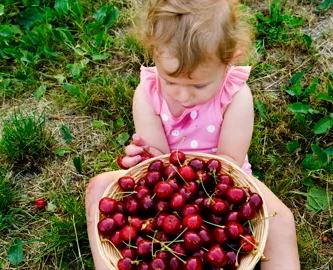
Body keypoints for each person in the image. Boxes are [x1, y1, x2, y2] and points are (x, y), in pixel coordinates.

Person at [85, 0, 300, 269]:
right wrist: (141, 160)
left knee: (280, 219)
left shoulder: (235, 96)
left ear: (230, 59)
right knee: (97, 190)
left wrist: (196, 195)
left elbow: (228, 163)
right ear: (154, 53)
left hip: (225, 182)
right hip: (169, 183)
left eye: (198, 85)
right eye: (171, 81)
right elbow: (158, 165)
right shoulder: (147, 94)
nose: (183, 95)